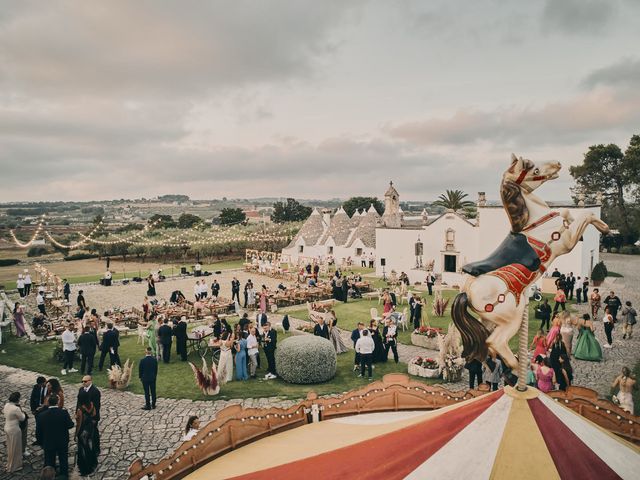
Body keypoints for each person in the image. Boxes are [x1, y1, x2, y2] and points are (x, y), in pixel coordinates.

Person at [38, 394, 74, 478]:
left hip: (48, 441)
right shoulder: (63, 413)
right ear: (57, 402)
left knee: (49, 461)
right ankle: (64, 475)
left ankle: (49, 476)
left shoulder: (41, 415)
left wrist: (41, 442)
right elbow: (70, 425)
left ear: (48, 403)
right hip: (62, 441)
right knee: (63, 459)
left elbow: (39, 431)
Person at [75, 390, 99, 476]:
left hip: (83, 431)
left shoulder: (80, 409)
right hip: (90, 429)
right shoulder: (92, 405)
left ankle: (85, 467)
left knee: (83, 449)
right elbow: (94, 415)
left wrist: (76, 434)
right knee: (90, 445)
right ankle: (93, 463)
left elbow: (79, 424)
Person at [4, 392, 26, 473]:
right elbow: (22, 418)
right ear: (17, 399)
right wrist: (22, 407)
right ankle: (15, 466)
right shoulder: (16, 408)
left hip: (7, 427)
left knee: (10, 447)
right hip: (14, 429)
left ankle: (10, 463)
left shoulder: (6, 405)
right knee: (16, 448)